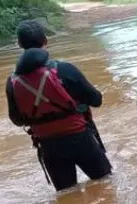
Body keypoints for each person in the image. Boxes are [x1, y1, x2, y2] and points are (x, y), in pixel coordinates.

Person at [6, 20, 112, 192]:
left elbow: (17, 120)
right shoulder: (64, 69)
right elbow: (96, 100)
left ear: (19, 44)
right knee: (105, 185)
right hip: (80, 139)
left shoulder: (13, 82)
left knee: (66, 195)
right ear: (45, 40)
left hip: (49, 147)